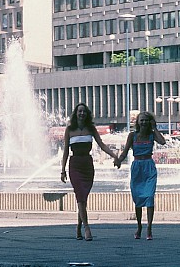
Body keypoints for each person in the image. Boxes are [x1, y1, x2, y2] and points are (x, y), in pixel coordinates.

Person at [61, 102, 119, 241]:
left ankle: (78, 227)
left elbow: (102, 145)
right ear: (75, 114)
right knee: (80, 197)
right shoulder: (69, 130)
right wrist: (62, 170)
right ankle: (87, 228)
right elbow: (65, 151)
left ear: (87, 114)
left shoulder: (91, 129)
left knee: (83, 198)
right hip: (75, 164)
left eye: (84, 111)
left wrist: (115, 156)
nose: (82, 113)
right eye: (79, 111)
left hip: (87, 165)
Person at [115, 111, 165, 240]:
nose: (144, 122)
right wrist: (119, 160)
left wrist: (154, 128)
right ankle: (139, 226)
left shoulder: (152, 135)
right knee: (137, 198)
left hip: (149, 167)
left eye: (146, 120)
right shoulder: (132, 135)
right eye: (141, 120)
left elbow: (162, 142)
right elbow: (125, 151)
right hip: (137, 168)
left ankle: (149, 227)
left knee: (149, 197)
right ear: (137, 122)